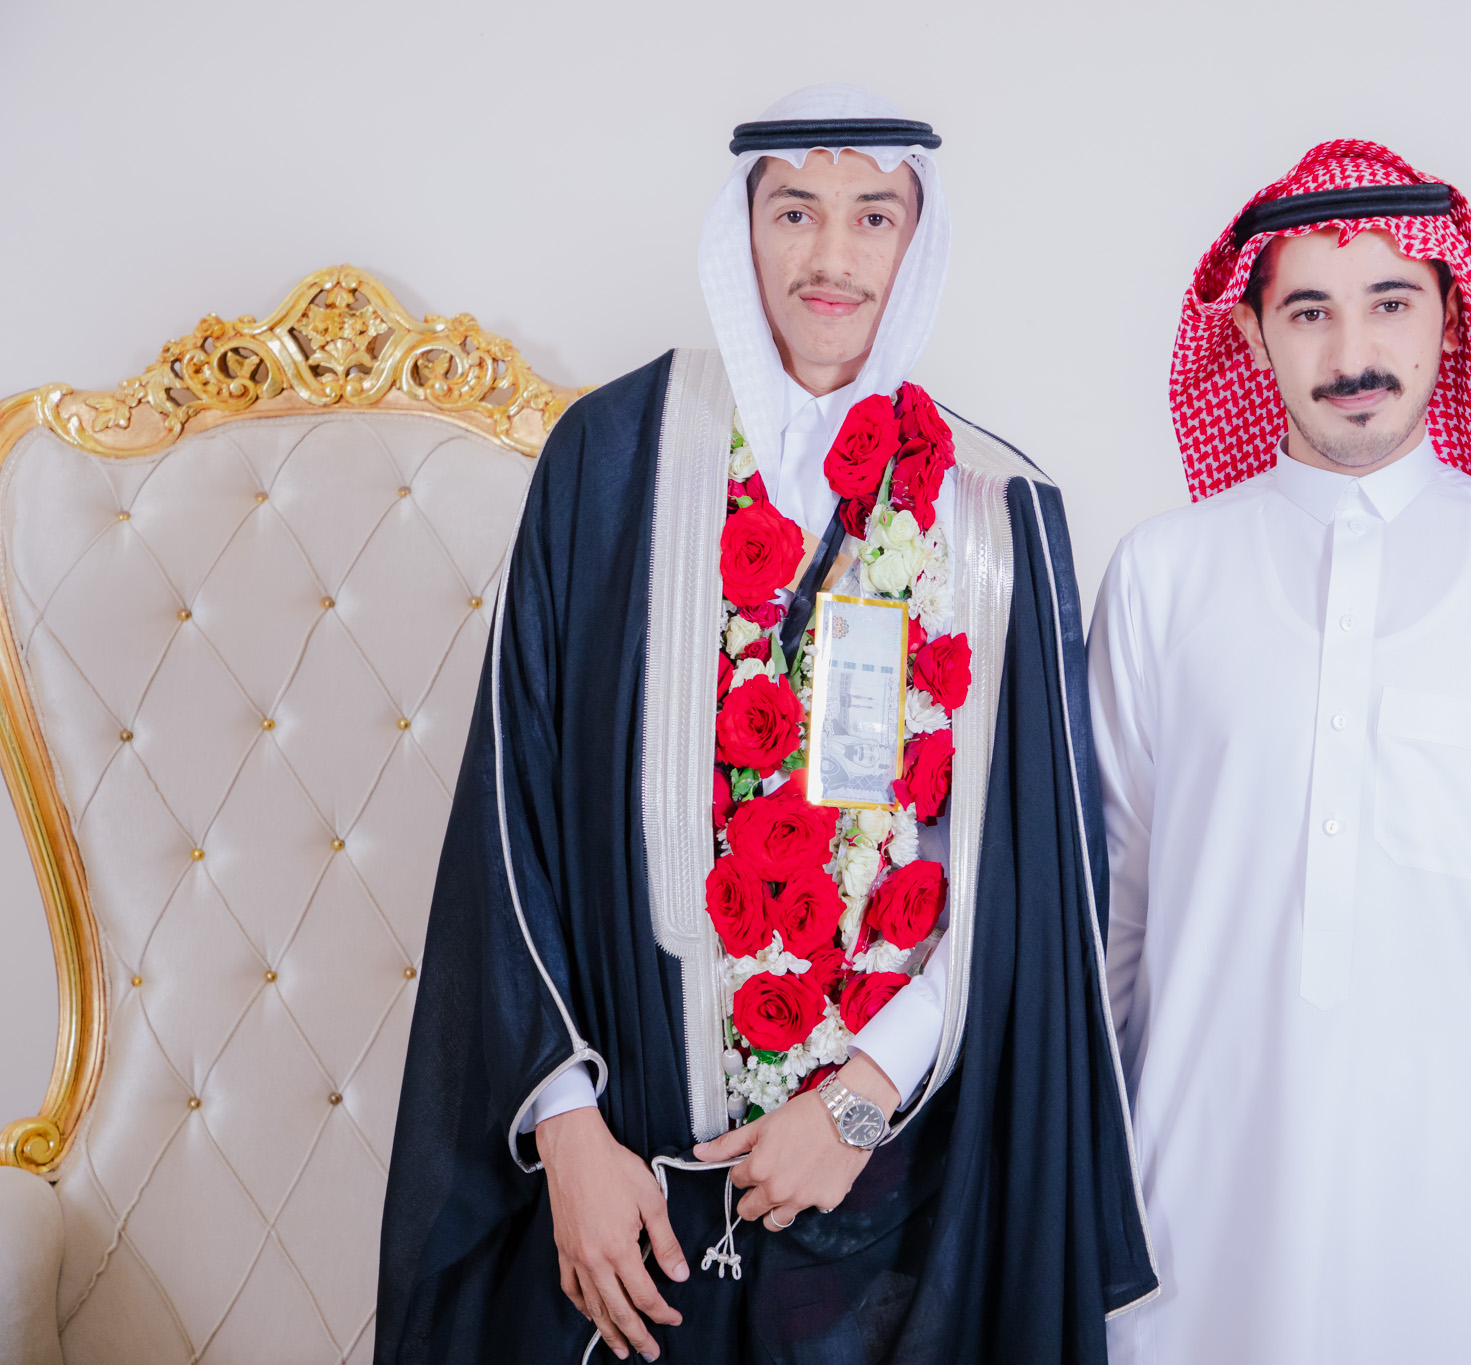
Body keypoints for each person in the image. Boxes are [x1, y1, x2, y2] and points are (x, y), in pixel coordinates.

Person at [376, 84, 1155, 1365]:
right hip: (627, 1187)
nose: (832, 257)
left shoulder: (993, 516)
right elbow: (508, 825)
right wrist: (565, 1134)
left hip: (893, 1205)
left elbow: (1029, 899)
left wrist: (857, 1103)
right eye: (795, 211)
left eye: (872, 216)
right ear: (741, 227)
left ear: (918, 240)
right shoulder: (606, 462)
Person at [1088, 139, 1471, 1364]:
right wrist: (1065, 1227)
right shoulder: (1162, 576)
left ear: (1449, 321)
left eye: (1389, 303)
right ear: (1251, 334)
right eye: (1308, 310)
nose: (1351, 352)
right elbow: (1105, 934)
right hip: (1190, 1234)